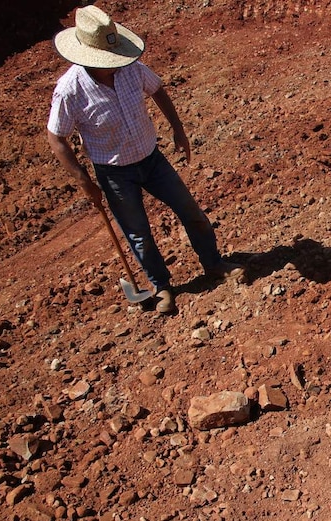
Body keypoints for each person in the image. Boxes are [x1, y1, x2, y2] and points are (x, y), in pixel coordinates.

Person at [46, 5, 245, 314]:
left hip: (152, 159)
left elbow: (158, 89)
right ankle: (162, 287)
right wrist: (83, 180)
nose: (115, 64)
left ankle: (214, 263)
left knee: (190, 211)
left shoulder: (131, 68)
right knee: (138, 233)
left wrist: (177, 128)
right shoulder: (70, 91)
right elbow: (56, 138)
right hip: (114, 174)